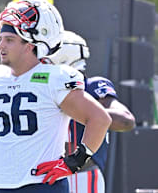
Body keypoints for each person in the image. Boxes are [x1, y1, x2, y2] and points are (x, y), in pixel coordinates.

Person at [0, 0, 112, 193]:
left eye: (10, 40)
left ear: (31, 44)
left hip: (41, 185)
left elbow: (100, 119)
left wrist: (74, 162)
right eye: (1, 39)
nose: (1, 46)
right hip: (1, 185)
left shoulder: (53, 79)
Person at [40, 30, 136, 193]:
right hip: (46, 174)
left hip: (81, 174)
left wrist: (86, 111)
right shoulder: (42, 89)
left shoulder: (92, 87)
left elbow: (126, 121)